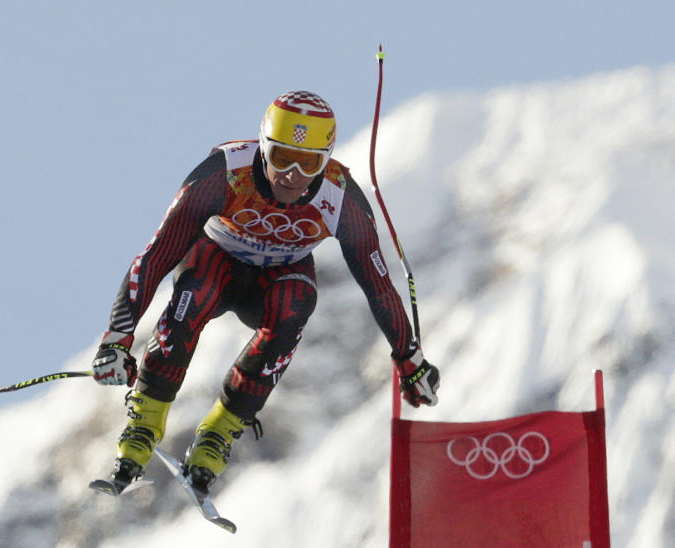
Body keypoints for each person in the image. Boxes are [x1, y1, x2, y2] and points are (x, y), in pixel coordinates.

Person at [90, 90, 440, 498]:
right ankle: (142, 428)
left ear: (326, 160)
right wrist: (117, 337)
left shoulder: (339, 196)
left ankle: (217, 437)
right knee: (195, 292)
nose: (292, 174)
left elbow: (377, 284)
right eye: (280, 158)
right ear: (262, 148)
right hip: (214, 259)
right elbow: (157, 254)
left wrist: (409, 358)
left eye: (308, 163)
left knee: (295, 303)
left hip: (276, 278)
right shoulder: (224, 173)